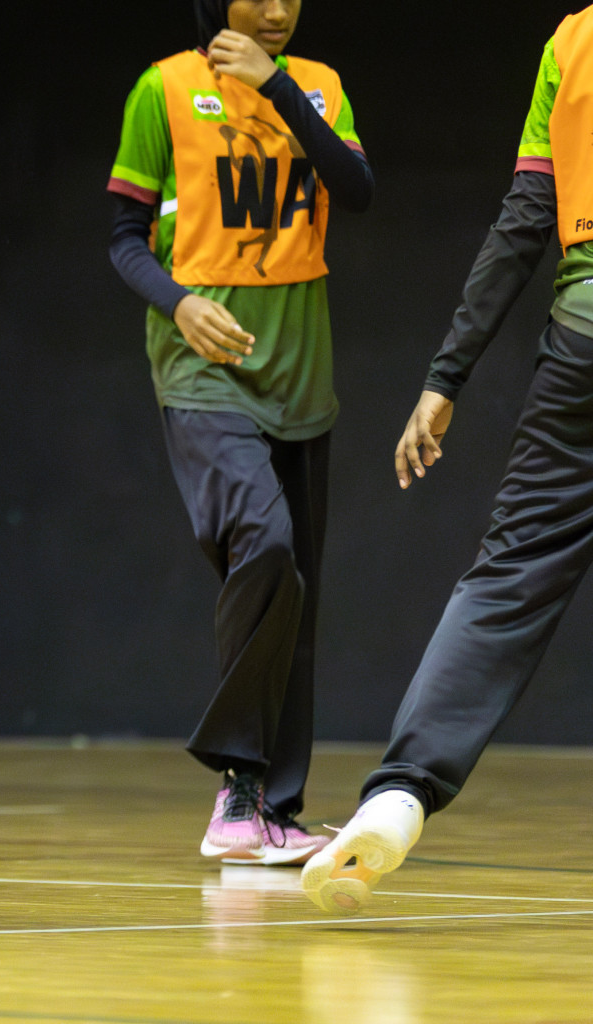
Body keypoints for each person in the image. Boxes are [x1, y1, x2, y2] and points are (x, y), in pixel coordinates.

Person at [303, 5, 593, 912]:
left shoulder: (572, 39)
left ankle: (399, 794)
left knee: (509, 576)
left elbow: (524, 221)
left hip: (582, 340)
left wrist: (446, 376)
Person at [106, 0, 373, 864]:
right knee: (263, 544)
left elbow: (356, 191)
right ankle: (238, 791)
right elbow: (121, 238)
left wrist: (281, 86)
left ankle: (278, 812)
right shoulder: (165, 89)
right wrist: (178, 303)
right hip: (204, 367)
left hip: (303, 370)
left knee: (297, 595)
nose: (276, 8)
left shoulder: (322, 87)